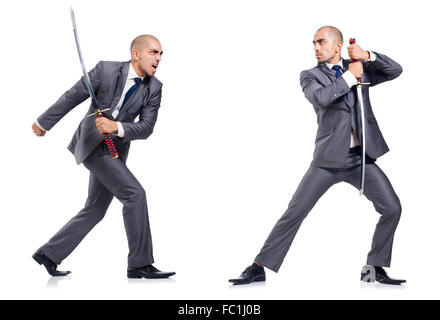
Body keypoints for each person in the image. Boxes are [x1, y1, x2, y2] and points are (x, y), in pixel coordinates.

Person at [229, 26, 405, 285]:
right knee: (295, 211)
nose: (315, 48)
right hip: (327, 160)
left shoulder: (359, 66)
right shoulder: (309, 75)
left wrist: (367, 55)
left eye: (321, 42)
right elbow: (321, 98)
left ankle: (373, 268)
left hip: (361, 159)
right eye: (313, 43)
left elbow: (395, 70)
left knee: (392, 208)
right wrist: (348, 77)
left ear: (337, 46)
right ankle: (258, 267)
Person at [31, 34, 175, 279]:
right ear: (136, 54)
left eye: (161, 54)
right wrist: (43, 122)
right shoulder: (106, 70)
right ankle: (139, 264)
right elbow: (73, 95)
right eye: (154, 52)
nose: (159, 58)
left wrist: (116, 127)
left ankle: (49, 253)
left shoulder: (155, 88)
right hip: (92, 146)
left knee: (96, 209)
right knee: (135, 195)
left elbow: (147, 128)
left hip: (115, 150)